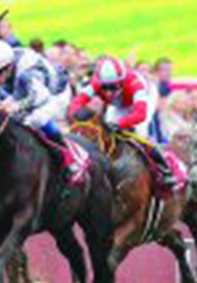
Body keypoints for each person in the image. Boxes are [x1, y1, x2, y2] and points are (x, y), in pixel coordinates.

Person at [71, 54, 174, 193]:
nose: (108, 93)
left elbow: (140, 114)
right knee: (106, 130)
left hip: (144, 99)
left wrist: (122, 123)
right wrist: (79, 114)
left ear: (122, 81)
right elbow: (76, 102)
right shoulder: (95, 83)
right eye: (105, 88)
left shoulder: (135, 84)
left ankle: (164, 169)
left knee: (137, 133)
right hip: (120, 103)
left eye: (113, 87)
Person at [0, 37, 72, 150]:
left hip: (54, 94)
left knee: (34, 120)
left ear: (9, 67)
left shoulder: (27, 72)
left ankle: (65, 152)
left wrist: (17, 106)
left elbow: (40, 97)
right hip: (26, 90)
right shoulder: (4, 61)